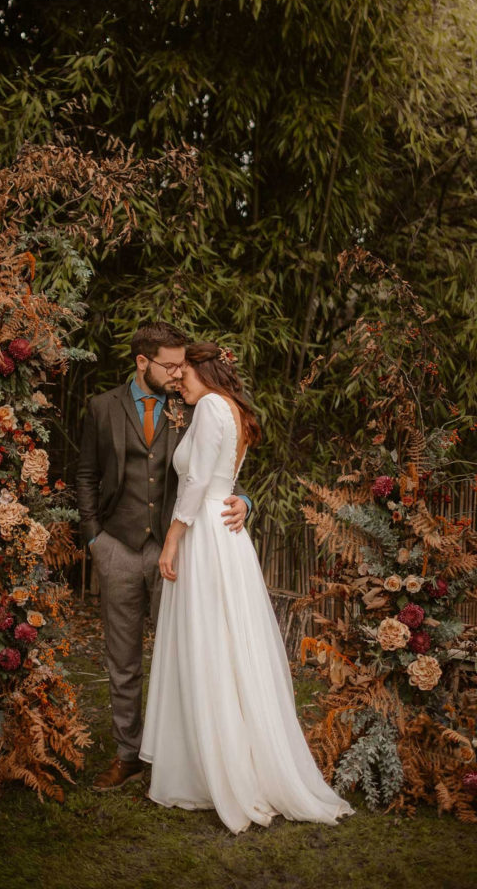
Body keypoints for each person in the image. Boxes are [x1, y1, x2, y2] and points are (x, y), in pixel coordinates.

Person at [140, 342, 355, 833]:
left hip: (205, 536)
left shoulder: (213, 406)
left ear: (204, 370)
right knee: (221, 644)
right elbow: (220, 477)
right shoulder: (226, 409)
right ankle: (202, 757)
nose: (179, 380)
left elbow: (197, 481)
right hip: (221, 533)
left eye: (186, 371)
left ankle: (216, 767)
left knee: (210, 644)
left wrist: (173, 539)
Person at [76, 323, 251, 791]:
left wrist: (244, 501)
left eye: (182, 366)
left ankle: (177, 754)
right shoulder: (101, 407)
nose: (178, 374)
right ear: (141, 362)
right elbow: (87, 474)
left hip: (180, 549)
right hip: (117, 547)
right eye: (170, 366)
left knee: (183, 652)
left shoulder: (194, 403)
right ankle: (128, 753)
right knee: (123, 659)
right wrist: (94, 536)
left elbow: (218, 462)